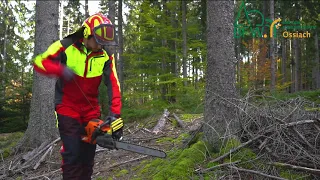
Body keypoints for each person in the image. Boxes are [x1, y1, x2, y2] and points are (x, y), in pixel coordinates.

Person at [33, 13, 122, 180]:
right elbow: (39, 62)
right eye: (98, 41)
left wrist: (115, 114)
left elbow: (114, 85)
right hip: (67, 107)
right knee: (72, 154)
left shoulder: (106, 56)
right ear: (87, 34)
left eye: (104, 43)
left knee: (87, 157)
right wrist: (60, 70)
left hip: (91, 110)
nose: (100, 46)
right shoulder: (66, 45)